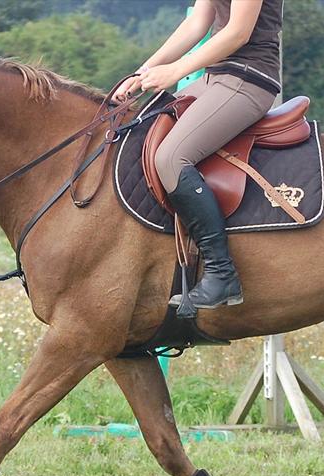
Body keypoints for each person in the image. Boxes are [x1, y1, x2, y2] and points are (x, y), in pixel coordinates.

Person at [113, 0, 283, 312]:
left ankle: (221, 273)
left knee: (171, 158)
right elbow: (196, 24)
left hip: (248, 77)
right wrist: (142, 73)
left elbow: (238, 33)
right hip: (213, 78)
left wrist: (176, 71)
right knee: (143, 136)